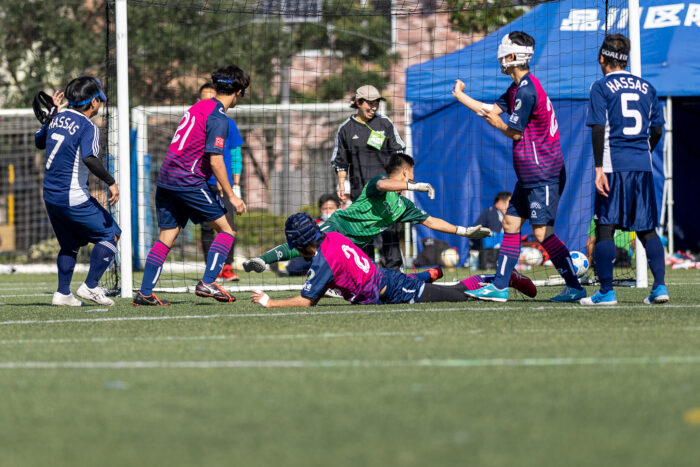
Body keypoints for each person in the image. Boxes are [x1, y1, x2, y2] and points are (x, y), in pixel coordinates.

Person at [452, 31, 585, 303]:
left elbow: (513, 131)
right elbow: (490, 110)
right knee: (511, 223)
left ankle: (575, 287)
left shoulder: (526, 89)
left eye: (503, 54)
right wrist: (460, 96)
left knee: (541, 233)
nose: (499, 59)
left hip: (543, 173)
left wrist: (498, 125)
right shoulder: (516, 88)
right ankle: (500, 287)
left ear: (512, 57)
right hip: (528, 174)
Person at [244, 154, 491, 272]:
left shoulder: (404, 206)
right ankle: (262, 260)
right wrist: (413, 186)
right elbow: (385, 185)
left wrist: (465, 231)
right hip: (341, 227)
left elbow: (431, 220)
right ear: (406, 172)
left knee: (363, 277)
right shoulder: (379, 182)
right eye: (412, 173)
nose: (414, 177)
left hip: (358, 244)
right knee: (306, 245)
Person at [133, 65, 248, 306]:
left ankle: (145, 292)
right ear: (238, 92)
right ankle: (208, 281)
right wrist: (232, 195)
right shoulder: (219, 118)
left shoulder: (198, 107)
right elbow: (216, 160)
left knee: (167, 236)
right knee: (227, 231)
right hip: (188, 180)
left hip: (166, 178)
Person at [249, 213, 536, 308]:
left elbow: (305, 301)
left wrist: (269, 301)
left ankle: (500, 279)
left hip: (397, 290)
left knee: (459, 295)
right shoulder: (333, 237)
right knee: (438, 284)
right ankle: (430, 274)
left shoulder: (323, 259)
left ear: (300, 244)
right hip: (386, 281)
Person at [580, 34, 667, 306]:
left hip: (612, 165)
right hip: (642, 167)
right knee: (647, 229)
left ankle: (606, 291)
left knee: (605, 227)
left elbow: (597, 128)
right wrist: (643, 153)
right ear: (626, 59)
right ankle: (660, 287)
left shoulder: (600, 87)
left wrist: (597, 168)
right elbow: (657, 130)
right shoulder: (648, 87)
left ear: (602, 58)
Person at [34, 76, 120, 306]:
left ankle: (63, 293)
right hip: (72, 195)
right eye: (99, 101)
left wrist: (52, 113)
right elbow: (90, 158)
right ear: (92, 103)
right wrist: (110, 181)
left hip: (51, 196)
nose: (99, 105)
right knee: (111, 234)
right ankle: (90, 286)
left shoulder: (56, 117)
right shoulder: (87, 126)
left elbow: (39, 142)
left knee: (69, 244)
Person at [331, 84, 406, 270]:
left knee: (390, 237)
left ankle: (395, 275)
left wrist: (400, 183)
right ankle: (367, 278)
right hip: (361, 195)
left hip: (388, 192)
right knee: (364, 239)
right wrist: (342, 185)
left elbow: (399, 154)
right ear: (358, 102)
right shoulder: (345, 129)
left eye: (376, 103)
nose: (373, 107)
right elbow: (341, 162)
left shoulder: (385, 124)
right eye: (369, 104)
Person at [197, 83, 245, 282]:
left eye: (211, 97)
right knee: (207, 227)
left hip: (224, 185)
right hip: (201, 183)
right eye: (204, 98)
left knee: (229, 226)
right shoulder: (197, 123)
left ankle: (227, 266)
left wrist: (235, 185)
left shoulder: (228, 123)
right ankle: (212, 270)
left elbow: (235, 154)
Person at [278, 193, 342, 276]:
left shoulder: (342, 223)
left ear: (337, 208)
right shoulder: (314, 223)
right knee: (293, 268)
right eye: (324, 208)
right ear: (320, 209)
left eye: (331, 208)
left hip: (335, 255)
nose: (328, 211)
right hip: (313, 254)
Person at [471, 191, 511, 269]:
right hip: (490, 254)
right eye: (510, 202)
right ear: (501, 202)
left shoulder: (508, 215)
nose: (512, 205)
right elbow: (475, 232)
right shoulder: (490, 213)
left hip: (505, 251)